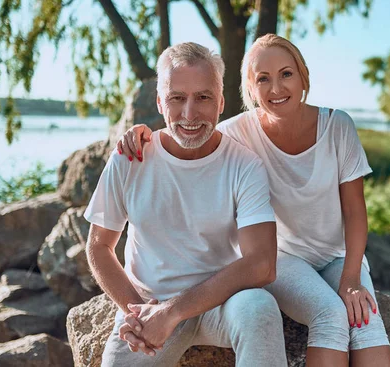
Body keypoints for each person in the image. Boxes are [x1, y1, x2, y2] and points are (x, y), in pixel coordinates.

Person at [119, 34, 390, 367]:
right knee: (331, 314)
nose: (276, 88)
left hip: (337, 256)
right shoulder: (237, 132)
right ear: (250, 89)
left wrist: (351, 279)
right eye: (263, 78)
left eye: (286, 74)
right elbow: (187, 130)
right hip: (281, 258)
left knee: (366, 321)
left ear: (303, 76)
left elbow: (354, 212)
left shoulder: (338, 126)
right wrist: (142, 134)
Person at [85, 42, 287, 367]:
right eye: (177, 98)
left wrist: (172, 312)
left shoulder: (244, 165)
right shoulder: (130, 158)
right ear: (159, 101)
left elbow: (262, 264)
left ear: (221, 102)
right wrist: (140, 316)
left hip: (220, 303)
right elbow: (98, 246)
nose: (189, 114)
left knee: (259, 309)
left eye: (203, 97)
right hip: (147, 302)